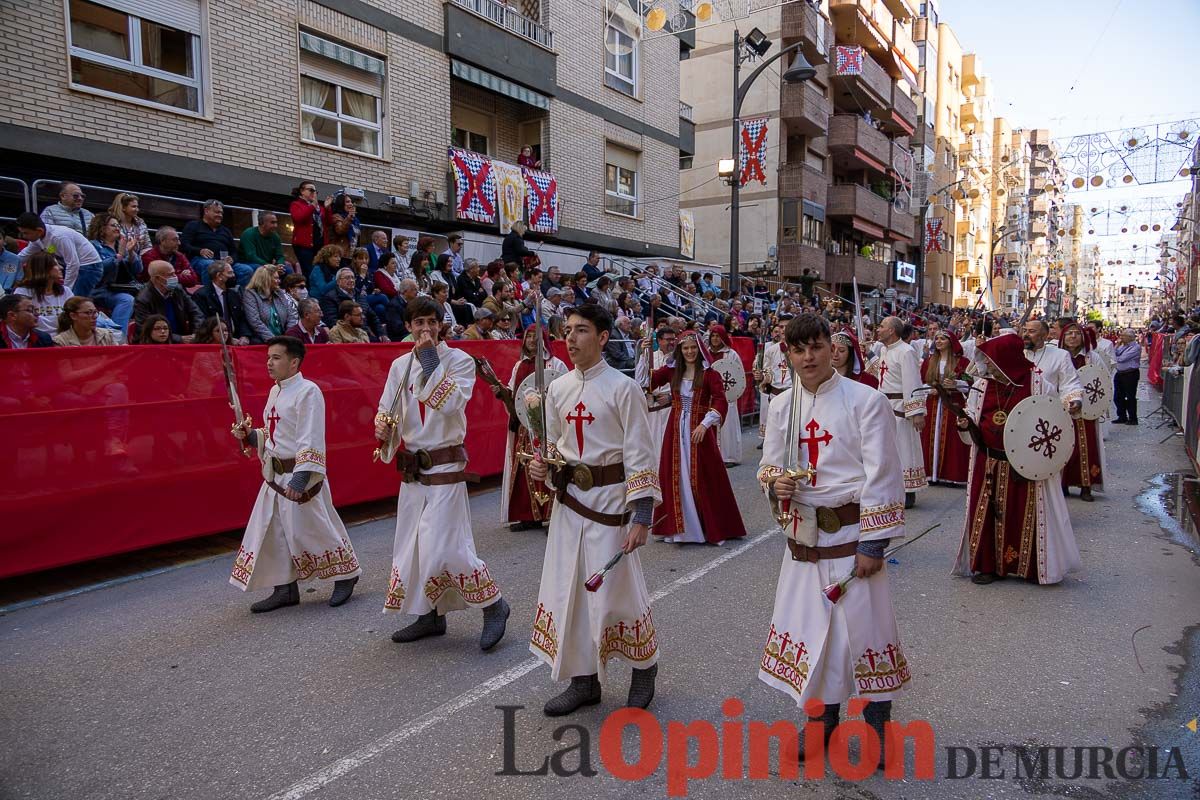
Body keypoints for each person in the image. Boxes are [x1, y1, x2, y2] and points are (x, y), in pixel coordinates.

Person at [758, 313, 909, 767]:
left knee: (864, 634)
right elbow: (769, 465)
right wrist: (776, 483)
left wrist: (873, 545)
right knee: (812, 634)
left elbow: (883, 475)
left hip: (852, 537)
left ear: (832, 349)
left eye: (816, 347)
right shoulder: (782, 405)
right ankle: (821, 720)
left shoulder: (866, 401)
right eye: (798, 349)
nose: (808, 357)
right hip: (804, 538)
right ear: (788, 354)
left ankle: (877, 726)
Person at [525, 304, 662, 715]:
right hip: (570, 506)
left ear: (603, 338)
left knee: (617, 591)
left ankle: (644, 666)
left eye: (581, 330)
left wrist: (641, 515)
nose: (570, 338)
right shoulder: (558, 388)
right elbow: (553, 445)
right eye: (567, 330)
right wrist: (542, 466)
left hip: (610, 506)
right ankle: (584, 681)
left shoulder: (624, 389)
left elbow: (640, 453)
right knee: (570, 593)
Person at [374, 296, 511, 648]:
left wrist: (430, 359)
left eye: (431, 322)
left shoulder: (459, 361)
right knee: (413, 546)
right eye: (418, 322)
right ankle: (429, 615)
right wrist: (383, 428)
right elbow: (388, 407)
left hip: (446, 464)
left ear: (441, 324)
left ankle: (494, 604)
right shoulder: (399, 366)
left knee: (446, 546)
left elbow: (451, 403)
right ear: (408, 327)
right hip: (413, 468)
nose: (425, 329)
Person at [229, 336, 362, 612]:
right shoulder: (275, 391)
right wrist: (252, 436)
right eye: (268, 357)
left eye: (276, 358)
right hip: (274, 477)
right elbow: (275, 434)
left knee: (312, 530)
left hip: (299, 476)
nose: (269, 363)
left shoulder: (308, 391)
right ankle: (285, 588)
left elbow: (310, 436)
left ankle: (346, 574)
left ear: (294, 362)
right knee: (272, 532)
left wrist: (301, 478)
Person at [954, 331, 1083, 586]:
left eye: (992, 360)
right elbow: (972, 412)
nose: (987, 364)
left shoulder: (1038, 384)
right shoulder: (982, 385)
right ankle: (987, 566)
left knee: (1024, 513)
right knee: (987, 512)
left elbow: (1050, 418)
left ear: (1005, 359)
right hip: (988, 459)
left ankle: (1030, 567)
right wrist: (964, 422)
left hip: (1024, 464)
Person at [647, 331, 747, 545]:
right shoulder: (672, 371)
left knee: (703, 476)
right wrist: (644, 351)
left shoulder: (709, 374)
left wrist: (705, 423)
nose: (690, 351)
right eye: (685, 348)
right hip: (675, 430)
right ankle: (677, 527)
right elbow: (647, 381)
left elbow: (720, 400)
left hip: (698, 431)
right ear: (680, 351)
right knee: (676, 475)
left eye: (693, 347)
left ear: (699, 348)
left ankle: (707, 526)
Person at [499, 324, 567, 531]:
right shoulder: (519, 365)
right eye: (528, 336)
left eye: (535, 337)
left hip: (550, 428)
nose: (531, 340)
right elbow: (514, 394)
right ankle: (527, 516)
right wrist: (501, 392)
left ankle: (552, 516)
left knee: (551, 466)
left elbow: (565, 394)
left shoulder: (556, 364)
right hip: (526, 426)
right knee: (525, 469)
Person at [874, 316, 927, 508]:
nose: (878, 329)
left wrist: (916, 411)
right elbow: (881, 374)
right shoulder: (882, 350)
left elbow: (912, 381)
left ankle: (907, 493)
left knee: (904, 448)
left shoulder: (906, 351)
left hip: (900, 408)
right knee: (886, 451)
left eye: (881, 327)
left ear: (892, 331)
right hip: (884, 406)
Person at [1059, 322, 1104, 501]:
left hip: (1086, 411)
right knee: (1063, 446)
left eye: (1076, 333)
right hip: (1062, 407)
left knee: (1086, 447)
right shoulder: (1058, 356)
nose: (1072, 337)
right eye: (1068, 334)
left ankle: (1086, 485)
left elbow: (1101, 381)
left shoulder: (1092, 358)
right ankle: (1063, 484)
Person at [919, 330, 971, 486]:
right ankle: (930, 474)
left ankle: (951, 474)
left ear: (951, 341)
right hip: (933, 403)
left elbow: (970, 384)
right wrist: (930, 389)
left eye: (942, 338)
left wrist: (956, 385)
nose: (939, 341)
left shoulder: (962, 362)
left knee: (953, 438)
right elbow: (920, 383)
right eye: (937, 339)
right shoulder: (929, 362)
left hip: (953, 405)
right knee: (929, 436)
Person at [15, 212, 102, 294]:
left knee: (73, 302)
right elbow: (24, 256)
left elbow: (73, 264)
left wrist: (66, 290)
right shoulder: (38, 238)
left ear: (39, 231)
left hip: (89, 267)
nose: (24, 237)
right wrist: (10, 263)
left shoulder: (59, 237)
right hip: (75, 266)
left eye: (26, 233)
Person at [181, 200, 253, 288]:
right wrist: (200, 251)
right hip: (200, 260)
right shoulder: (193, 225)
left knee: (246, 270)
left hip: (224, 263)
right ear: (206, 211)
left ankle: (236, 297)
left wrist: (232, 259)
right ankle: (211, 297)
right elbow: (184, 245)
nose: (220, 215)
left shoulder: (225, 231)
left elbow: (234, 251)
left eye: (221, 213)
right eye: (217, 212)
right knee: (210, 265)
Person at [84, 213, 136, 334]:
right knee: (126, 300)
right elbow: (97, 268)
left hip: (120, 288)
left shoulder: (121, 245)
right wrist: (119, 256)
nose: (117, 228)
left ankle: (119, 335)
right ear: (102, 228)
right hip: (98, 290)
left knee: (128, 299)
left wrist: (131, 253)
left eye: (118, 225)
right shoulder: (93, 245)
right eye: (113, 225)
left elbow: (138, 269)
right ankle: (117, 336)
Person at [134, 261, 205, 342]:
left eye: (174, 273)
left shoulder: (178, 290)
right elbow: (145, 328)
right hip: (155, 343)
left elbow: (196, 313)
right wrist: (179, 339)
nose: (175, 277)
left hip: (184, 339)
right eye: (170, 275)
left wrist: (195, 334)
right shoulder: (143, 299)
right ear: (157, 278)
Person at [707, 324, 743, 467]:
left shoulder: (731, 354)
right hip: (709, 396)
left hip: (727, 395)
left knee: (727, 427)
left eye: (718, 336)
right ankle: (711, 456)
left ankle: (728, 457)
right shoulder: (705, 353)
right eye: (713, 336)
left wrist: (732, 392)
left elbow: (738, 374)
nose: (715, 339)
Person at [193, 261, 252, 345]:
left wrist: (245, 335)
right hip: (214, 339)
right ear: (219, 276)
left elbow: (242, 318)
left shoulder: (234, 294)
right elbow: (204, 324)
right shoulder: (201, 295)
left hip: (237, 337)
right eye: (230, 273)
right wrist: (227, 339)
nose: (233, 276)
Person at [14, 252, 74, 333]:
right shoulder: (23, 292)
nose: (61, 267)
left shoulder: (66, 291)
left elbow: (73, 318)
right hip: (36, 339)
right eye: (56, 265)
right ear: (44, 268)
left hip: (63, 338)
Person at [320, 267, 385, 341]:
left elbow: (373, 317)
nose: (351, 280)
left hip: (364, 334)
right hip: (346, 336)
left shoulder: (360, 296)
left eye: (352, 278)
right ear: (338, 281)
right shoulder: (330, 298)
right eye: (347, 278)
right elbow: (332, 321)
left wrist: (381, 333)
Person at [243, 265, 298, 344]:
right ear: (266, 279)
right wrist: (274, 341)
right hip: (263, 341)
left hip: (284, 340)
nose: (279, 281)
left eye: (278, 278)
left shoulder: (280, 293)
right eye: (275, 278)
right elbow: (255, 322)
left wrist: (288, 338)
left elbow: (292, 316)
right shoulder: (251, 294)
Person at [755, 322, 791, 439]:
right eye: (781, 327)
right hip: (775, 395)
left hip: (793, 396)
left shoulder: (800, 349)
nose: (783, 330)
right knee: (775, 435)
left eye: (787, 327)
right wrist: (762, 377)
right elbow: (767, 371)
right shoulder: (771, 350)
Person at [289, 180, 328, 277]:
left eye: (315, 191)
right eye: (311, 190)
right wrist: (312, 206)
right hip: (304, 245)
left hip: (319, 245)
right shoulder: (296, 204)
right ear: (302, 192)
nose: (314, 193)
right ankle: (309, 291)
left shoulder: (319, 207)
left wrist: (327, 208)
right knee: (308, 271)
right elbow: (299, 218)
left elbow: (328, 222)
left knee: (320, 271)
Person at [53, 296, 119, 346]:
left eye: (95, 312)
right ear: (73, 316)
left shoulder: (107, 335)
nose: (95, 316)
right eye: (88, 312)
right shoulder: (60, 341)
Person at [1113, 328, 1142, 425]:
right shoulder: (1122, 346)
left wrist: (1113, 358)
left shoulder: (1136, 347)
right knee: (1118, 396)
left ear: (1129, 337)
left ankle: (1133, 418)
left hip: (1130, 374)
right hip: (1120, 373)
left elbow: (1122, 358)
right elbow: (1114, 353)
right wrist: (1117, 345)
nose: (1121, 337)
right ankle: (1122, 416)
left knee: (1130, 397)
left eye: (1123, 336)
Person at [326, 194, 359, 259]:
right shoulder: (336, 216)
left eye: (351, 202)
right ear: (341, 204)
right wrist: (348, 218)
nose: (351, 204)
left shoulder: (355, 220)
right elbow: (340, 230)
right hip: (340, 254)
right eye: (347, 202)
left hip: (351, 255)